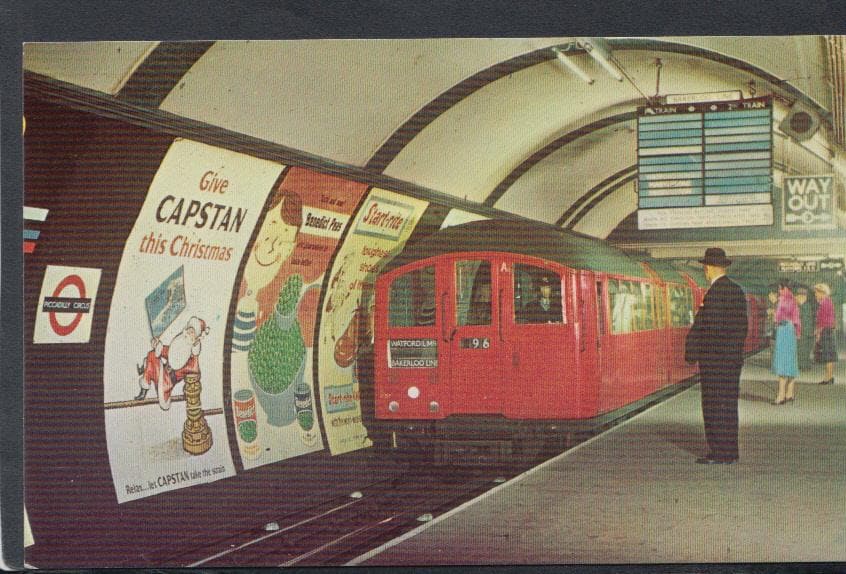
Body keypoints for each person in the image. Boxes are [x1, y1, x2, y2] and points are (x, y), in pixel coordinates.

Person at [684, 247, 747, 465]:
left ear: (708, 268)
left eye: (705, 268)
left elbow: (707, 327)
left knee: (713, 406)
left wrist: (694, 351)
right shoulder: (736, 291)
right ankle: (730, 451)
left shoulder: (714, 292)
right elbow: (742, 329)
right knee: (728, 406)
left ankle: (718, 452)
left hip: (714, 362)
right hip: (731, 361)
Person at [135, 316, 210, 410]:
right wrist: (158, 345)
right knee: (152, 354)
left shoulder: (191, 357)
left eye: (192, 333)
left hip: (167, 381)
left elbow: (194, 370)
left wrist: (195, 350)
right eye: (189, 330)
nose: (189, 333)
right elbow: (169, 352)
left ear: (196, 337)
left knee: (152, 360)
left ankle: (145, 371)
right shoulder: (180, 342)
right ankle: (143, 391)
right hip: (163, 372)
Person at [771, 279, 800, 404]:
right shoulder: (794, 300)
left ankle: (781, 396)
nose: (779, 291)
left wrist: (774, 305)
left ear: (786, 289)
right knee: (791, 361)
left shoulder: (782, 300)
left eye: (780, 288)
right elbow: (797, 319)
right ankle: (790, 393)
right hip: (791, 331)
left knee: (782, 362)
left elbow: (777, 318)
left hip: (784, 331)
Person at [813, 283, 837, 385]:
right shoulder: (827, 301)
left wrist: (818, 332)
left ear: (821, 292)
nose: (815, 295)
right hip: (829, 330)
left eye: (816, 293)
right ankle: (830, 376)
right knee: (829, 355)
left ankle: (828, 378)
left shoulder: (825, 303)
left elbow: (823, 320)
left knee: (828, 355)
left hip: (826, 330)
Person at [795, 286, 815, 370]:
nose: (796, 298)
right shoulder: (806, 305)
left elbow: (803, 320)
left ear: (803, 297)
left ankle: (803, 366)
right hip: (806, 331)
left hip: (804, 332)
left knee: (803, 349)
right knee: (804, 349)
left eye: (798, 296)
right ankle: (805, 366)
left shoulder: (805, 306)